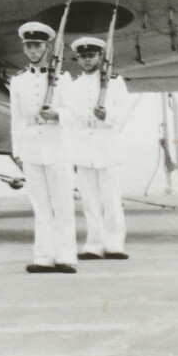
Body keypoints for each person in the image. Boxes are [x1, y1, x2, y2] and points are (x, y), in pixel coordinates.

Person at [9, 21, 78, 273]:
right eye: (28, 46)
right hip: (31, 148)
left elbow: (75, 112)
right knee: (40, 206)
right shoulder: (18, 80)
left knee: (62, 205)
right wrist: (17, 152)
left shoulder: (63, 77)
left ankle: (65, 257)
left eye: (37, 45)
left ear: (47, 47)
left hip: (57, 145)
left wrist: (57, 114)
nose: (32, 51)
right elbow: (16, 119)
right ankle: (43, 257)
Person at [63, 35, 131, 261]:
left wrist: (107, 115)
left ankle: (114, 244)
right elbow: (69, 117)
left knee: (111, 200)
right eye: (82, 57)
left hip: (106, 144)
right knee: (90, 202)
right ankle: (94, 244)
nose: (87, 60)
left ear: (100, 56)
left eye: (91, 56)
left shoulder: (113, 81)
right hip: (83, 147)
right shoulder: (73, 85)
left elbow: (123, 113)